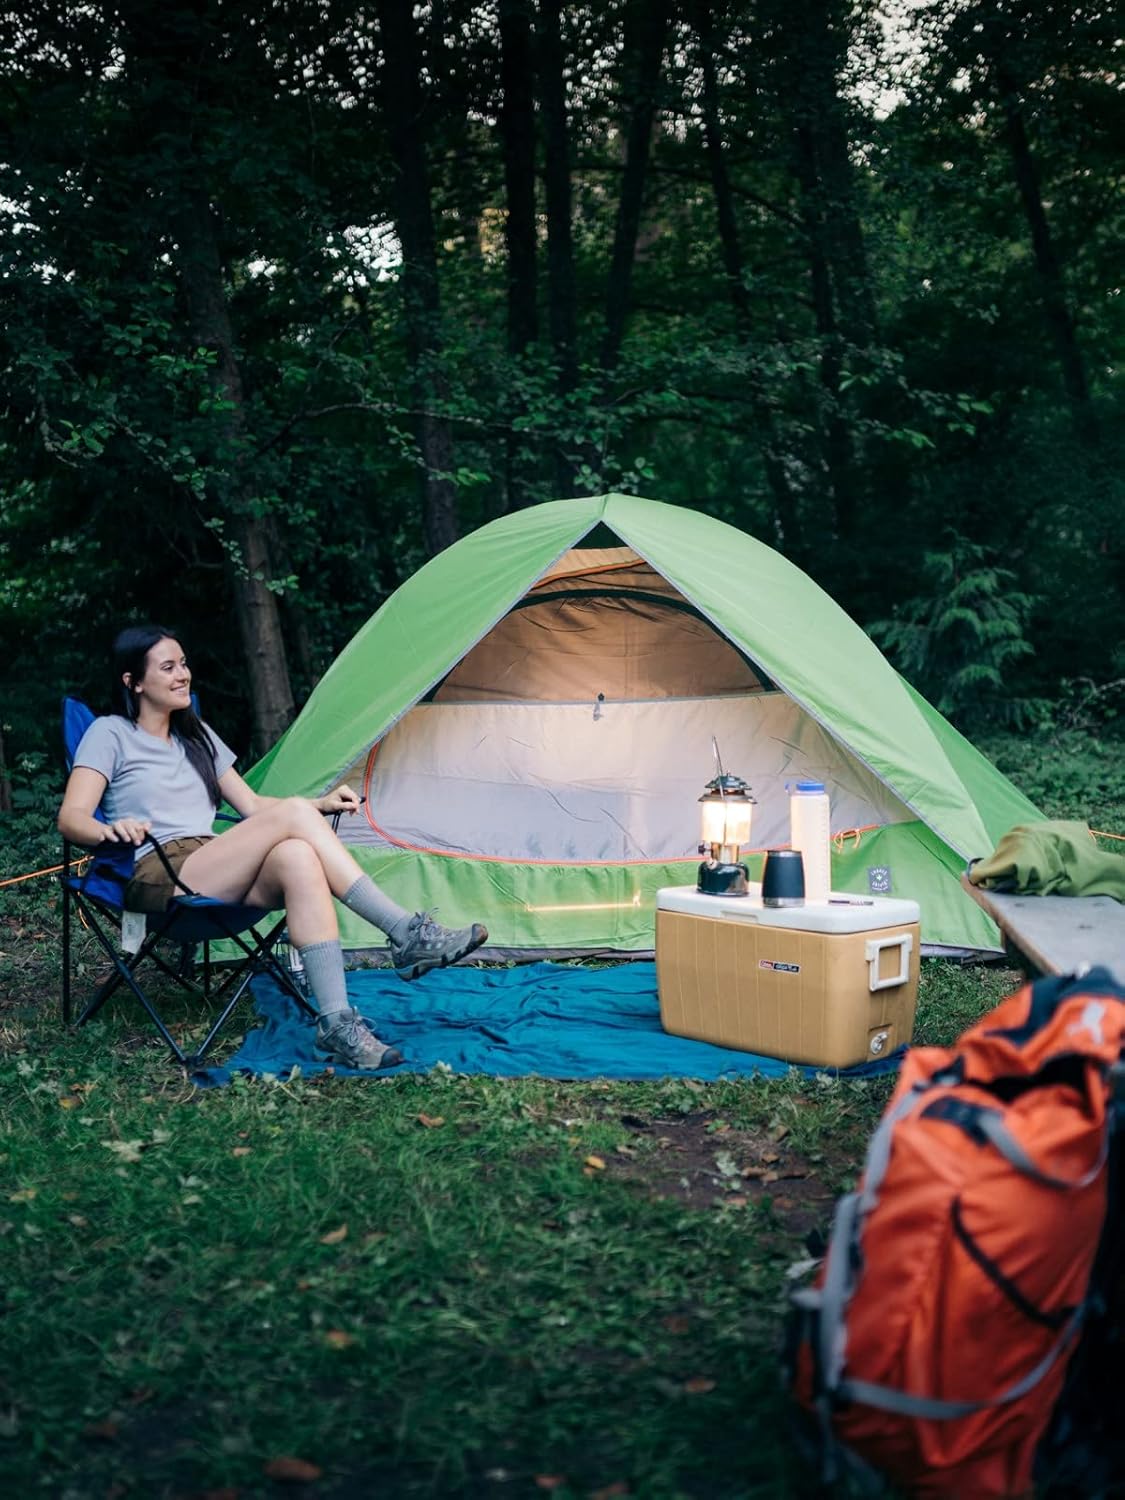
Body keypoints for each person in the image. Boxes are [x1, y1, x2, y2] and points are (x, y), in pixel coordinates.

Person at [58, 623, 488, 1070]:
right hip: (159, 872)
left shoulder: (196, 735)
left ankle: (336, 1025)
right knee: (295, 826)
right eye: (167, 667)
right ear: (134, 682)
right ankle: (404, 932)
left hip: (215, 862)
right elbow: (71, 819)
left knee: (299, 858)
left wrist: (319, 805)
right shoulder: (109, 734)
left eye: (183, 663)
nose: (183, 674)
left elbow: (253, 805)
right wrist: (113, 831)